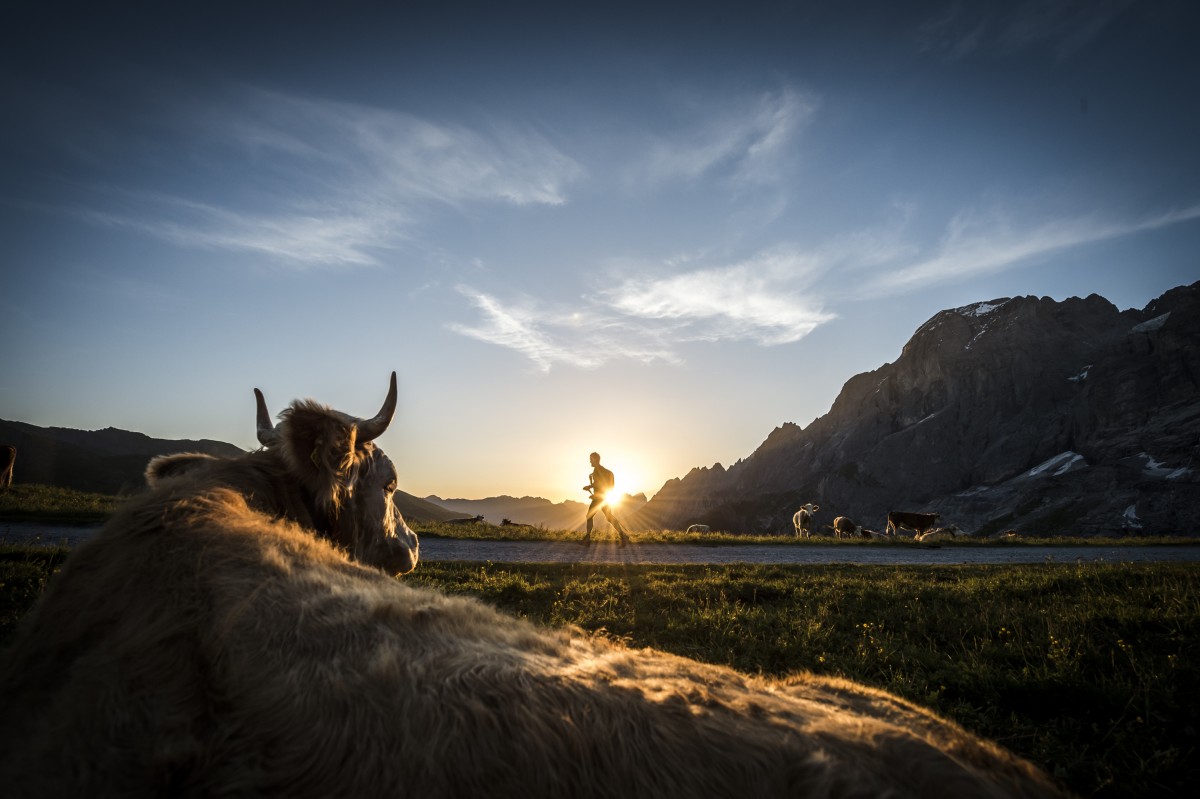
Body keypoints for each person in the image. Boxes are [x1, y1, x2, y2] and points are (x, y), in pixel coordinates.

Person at [582, 451, 632, 547]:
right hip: (605, 498)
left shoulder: (597, 472)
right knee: (609, 517)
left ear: (595, 459)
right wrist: (590, 486)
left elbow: (599, 485)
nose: (590, 462)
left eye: (591, 459)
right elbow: (602, 484)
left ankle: (587, 539)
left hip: (599, 498)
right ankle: (623, 536)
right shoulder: (603, 471)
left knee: (589, 516)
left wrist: (594, 494)